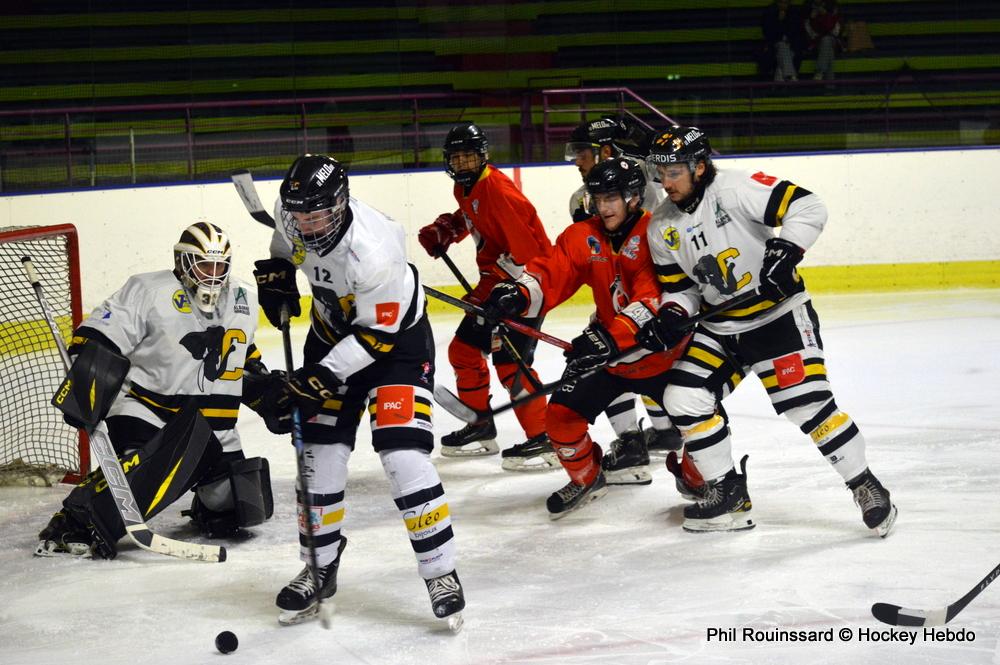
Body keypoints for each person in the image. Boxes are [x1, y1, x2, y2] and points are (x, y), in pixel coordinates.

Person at [637, 125, 897, 537]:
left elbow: (808, 206)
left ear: (699, 167)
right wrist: (671, 314)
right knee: (682, 397)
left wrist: (786, 249)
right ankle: (727, 494)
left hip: (778, 317)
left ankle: (865, 484)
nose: (665, 183)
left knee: (808, 407)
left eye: (674, 173)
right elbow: (681, 290)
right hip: (722, 328)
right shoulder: (661, 225)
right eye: (661, 174)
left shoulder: (737, 188)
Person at [254, 154, 464, 626]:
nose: (307, 225)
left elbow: (376, 338)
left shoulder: (374, 249)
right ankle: (319, 566)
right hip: (330, 336)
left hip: (395, 347)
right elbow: (284, 243)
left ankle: (440, 571)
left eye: (318, 215)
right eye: (300, 216)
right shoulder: (293, 212)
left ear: (341, 204)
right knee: (319, 456)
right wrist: (278, 273)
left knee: (403, 455)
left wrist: (316, 379)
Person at [35, 222, 277, 559]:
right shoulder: (149, 290)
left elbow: (243, 360)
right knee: (144, 474)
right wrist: (86, 382)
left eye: (219, 266)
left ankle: (200, 496)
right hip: (148, 412)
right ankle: (76, 517)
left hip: (212, 426)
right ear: (182, 262)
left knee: (238, 507)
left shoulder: (243, 298)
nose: (213, 274)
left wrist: (268, 391)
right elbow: (98, 336)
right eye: (204, 265)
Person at [482, 158, 684, 518]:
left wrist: (609, 338)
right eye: (598, 198)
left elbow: (650, 299)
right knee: (560, 418)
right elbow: (553, 270)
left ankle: (705, 481)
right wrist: (519, 293)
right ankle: (587, 477)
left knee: (699, 421)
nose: (602, 207)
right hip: (612, 356)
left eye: (611, 198)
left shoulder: (654, 234)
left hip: (659, 353)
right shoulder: (584, 235)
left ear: (633, 197)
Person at [418, 122, 554, 470]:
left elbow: (529, 252)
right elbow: (474, 217)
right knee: (464, 351)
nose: (462, 163)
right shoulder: (466, 187)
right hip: (497, 283)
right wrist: (448, 229)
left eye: (468, 156)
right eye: (456, 158)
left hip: (527, 285)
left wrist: (501, 294)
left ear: (482, 156)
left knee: (510, 364)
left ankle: (545, 438)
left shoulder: (497, 189)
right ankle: (480, 425)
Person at [564, 117, 682, 485]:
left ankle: (638, 440)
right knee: (626, 354)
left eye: (582, 152)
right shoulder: (591, 193)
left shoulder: (641, 182)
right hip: (632, 290)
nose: (577, 161)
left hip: (656, 289)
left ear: (603, 151)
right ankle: (663, 430)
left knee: (618, 354)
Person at [761, 0, 806, 81]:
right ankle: (790, 76)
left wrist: (789, 40)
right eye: (781, 2)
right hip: (774, 44)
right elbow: (768, 33)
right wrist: (779, 21)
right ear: (777, 3)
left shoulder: (794, 13)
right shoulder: (770, 12)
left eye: (785, 3)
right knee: (782, 46)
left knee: (783, 57)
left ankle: (780, 82)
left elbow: (797, 31)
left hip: (791, 45)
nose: (783, 5)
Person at [804, 0, 841, 81]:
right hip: (815, 44)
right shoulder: (808, 8)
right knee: (829, 52)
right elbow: (810, 34)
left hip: (833, 41)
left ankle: (819, 71)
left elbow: (835, 32)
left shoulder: (832, 6)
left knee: (827, 40)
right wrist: (811, 19)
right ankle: (830, 86)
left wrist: (825, 15)